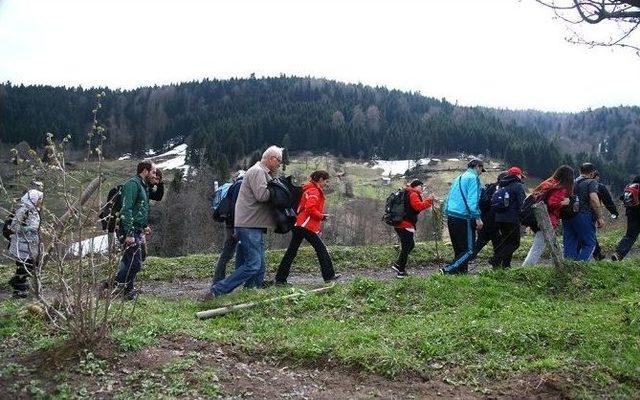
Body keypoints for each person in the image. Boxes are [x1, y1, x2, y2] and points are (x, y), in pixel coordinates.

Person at [205, 146, 282, 298]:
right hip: (249, 225)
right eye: (278, 161)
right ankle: (218, 290)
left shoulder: (261, 172)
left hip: (253, 224)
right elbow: (262, 195)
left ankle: (253, 290)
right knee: (253, 264)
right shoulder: (258, 171)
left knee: (259, 263)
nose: (279, 164)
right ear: (271, 158)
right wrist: (277, 190)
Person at [275, 170, 341, 283]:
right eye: (325, 181)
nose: (326, 183)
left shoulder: (308, 189)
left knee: (292, 251)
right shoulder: (314, 191)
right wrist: (322, 217)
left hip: (299, 224)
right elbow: (310, 209)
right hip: (306, 225)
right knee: (321, 249)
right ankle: (329, 276)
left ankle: (280, 279)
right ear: (320, 179)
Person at [113, 161, 156, 300]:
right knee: (135, 263)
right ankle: (110, 284)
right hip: (127, 230)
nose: (155, 175)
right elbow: (127, 209)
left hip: (137, 229)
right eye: (153, 172)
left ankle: (128, 291)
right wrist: (129, 233)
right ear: (145, 170)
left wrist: (144, 226)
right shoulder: (132, 184)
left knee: (130, 261)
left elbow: (139, 209)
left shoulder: (143, 186)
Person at [522, 165, 574, 266]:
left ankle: (560, 264)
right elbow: (552, 203)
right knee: (538, 247)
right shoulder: (560, 188)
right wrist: (564, 203)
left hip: (536, 217)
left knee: (551, 244)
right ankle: (526, 268)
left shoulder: (548, 183)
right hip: (547, 219)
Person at [440, 158, 485, 275]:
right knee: (469, 250)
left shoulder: (459, 178)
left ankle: (461, 274)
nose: (481, 172)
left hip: (451, 215)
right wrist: (478, 217)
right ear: (477, 167)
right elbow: (472, 201)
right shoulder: (473, 178)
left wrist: (446, 212)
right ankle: (447, 270)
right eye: (481, 169)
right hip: (464, 217)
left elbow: (448, 196)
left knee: (459, 248)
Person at [388, 179, 434, 278]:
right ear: (416, 186)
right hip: (405, 224)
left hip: (399, 223)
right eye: (421, 186)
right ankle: (401, 272)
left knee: (410, 245)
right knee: (406, 247)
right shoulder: (413, 194)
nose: (422, 188)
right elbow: (418, 206)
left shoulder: (408, 192)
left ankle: (398, 264)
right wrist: (429, 200)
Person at [563, 163, 604, 261]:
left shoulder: (571, 182)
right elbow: (594, 200)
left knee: (570, 243)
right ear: (593, 172)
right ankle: (580, 268)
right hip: (583, 215)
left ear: (580, 171)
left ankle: (569, 269)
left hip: (567, 215)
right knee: (590, 244)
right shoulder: (591, 182)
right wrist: (600, 217)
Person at [7, 189, 43, 298]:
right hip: (22, 245)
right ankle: (18, 291)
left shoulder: (34, 211)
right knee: (23, 267)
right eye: (39, 199)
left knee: (30, 267)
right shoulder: (23, 210)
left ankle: (16, 282)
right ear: (33, 199)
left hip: (31, 246)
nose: (40, 201)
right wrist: (28, 229)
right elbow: (13, 226)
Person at [212, 170, 245, 284]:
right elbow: (237, 208)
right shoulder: (240, 186)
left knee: (230, 252)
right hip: (235, 225)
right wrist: (237, 227)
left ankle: (219, 280)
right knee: (229, 253)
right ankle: (219, 282)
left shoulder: (233, 186)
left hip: (230, 224)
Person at [491, 166, 527, 269]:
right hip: (511, 219)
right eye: (521, 175)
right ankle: (496, 259)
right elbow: (522, 204)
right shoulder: (517, 186)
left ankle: (506, 265)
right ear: (517, 175)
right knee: (515, 243)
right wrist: (524, 218)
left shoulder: (502, 185)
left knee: (507, 242)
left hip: (499, 218)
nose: (521, 178)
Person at [471, 172, 508, 265]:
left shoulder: (490, 187)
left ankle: (464, 261)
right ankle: (496, 266)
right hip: (495, 221)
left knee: (479, 243)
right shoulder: (503, 190)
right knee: (498, 244)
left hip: (484, 219)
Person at [611, 175, 640, 261]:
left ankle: (618, 253)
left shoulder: (631, 187)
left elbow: (622, 197)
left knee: (630, 236)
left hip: (632, 215)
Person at [591, 170, 618, 261]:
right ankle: (596, 254)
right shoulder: (599, 186)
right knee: (591, 234)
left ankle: (597, 253)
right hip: (592, 213)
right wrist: (614, 212)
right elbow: (608, 201)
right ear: (596, 176)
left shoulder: (576, 183)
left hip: (574, 214)